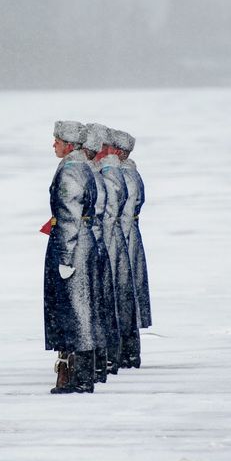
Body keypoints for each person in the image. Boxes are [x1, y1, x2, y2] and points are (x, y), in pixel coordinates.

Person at [43, 121, 104, 394]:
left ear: (68, 145)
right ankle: (82, 374)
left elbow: (69, 217)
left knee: (75, 311)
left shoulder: (70, 171)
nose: (53, 145)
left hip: (74, 246)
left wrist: (66, 258)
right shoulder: (83, 168)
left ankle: (80, 378)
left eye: (57, 140)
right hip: (85, 242)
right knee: (83, 309)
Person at [95, 128, 139, 372]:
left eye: (102, 147)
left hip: (113, 239)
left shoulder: (114, 174)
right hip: (117, 238)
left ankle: (120, 353)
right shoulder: (115, 172)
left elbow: (117, 213)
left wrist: (102, 239)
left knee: (116, 296)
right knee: (119, 296)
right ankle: (124, 353)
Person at [81, 123, 122, 380]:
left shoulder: (100, 174)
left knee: (98, 302)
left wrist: (98, 241)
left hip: (96, 241)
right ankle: (103, 358)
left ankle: (103, 359)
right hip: (96, 240)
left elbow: (109, 212)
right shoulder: (92, 172)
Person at [112, 128, 151, 368]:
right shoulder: (127, 173)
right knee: (125, 294)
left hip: (124, 239)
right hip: (126, 237)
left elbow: (124, 215)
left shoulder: (125, 175)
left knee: (124, 294)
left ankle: (127, 353)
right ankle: (127, 352)